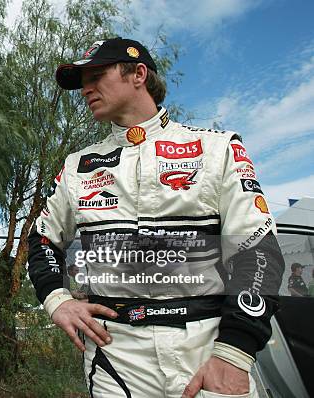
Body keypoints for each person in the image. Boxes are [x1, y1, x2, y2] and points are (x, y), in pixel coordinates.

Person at [28, 38, 284, 397]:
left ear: (138, 74)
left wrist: (235, 351)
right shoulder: (78, 166)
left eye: (97, 75)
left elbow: (259, 251)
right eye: (81, 81)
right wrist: (57, 300)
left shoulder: (218, 147)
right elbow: (42, 239)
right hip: (115, 352)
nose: (86, 88)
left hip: (208, 346)